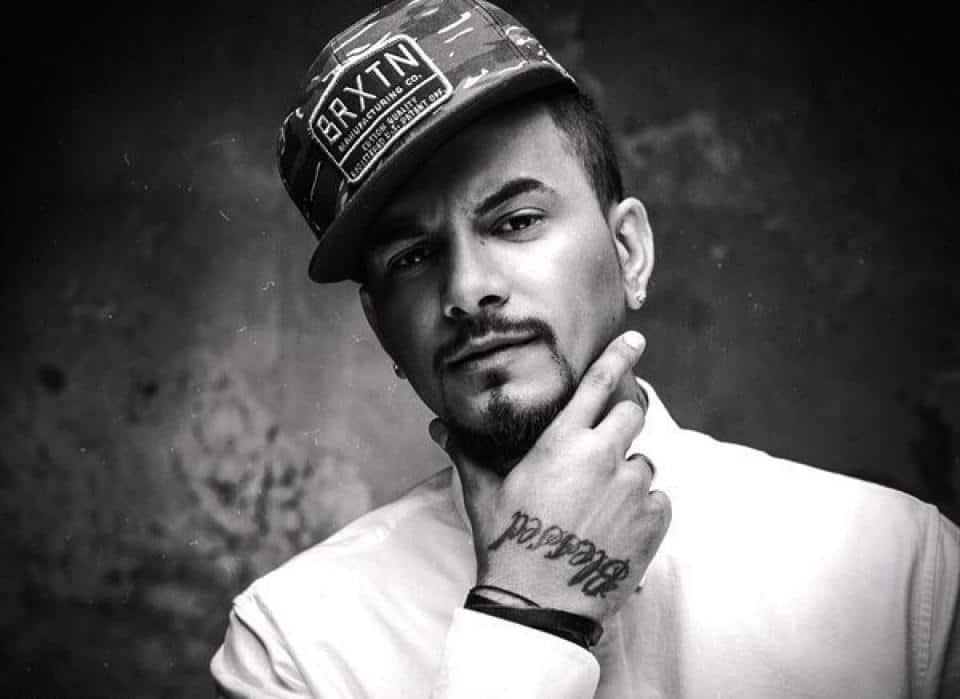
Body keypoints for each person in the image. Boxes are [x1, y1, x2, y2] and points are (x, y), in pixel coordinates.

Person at [211, 0, 960, 696]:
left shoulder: (901, 574)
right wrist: (526, 615)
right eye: (412, 257)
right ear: (383, 328)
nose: (468, 290)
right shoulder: (292, 644)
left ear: (629, 251)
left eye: (517, 221)